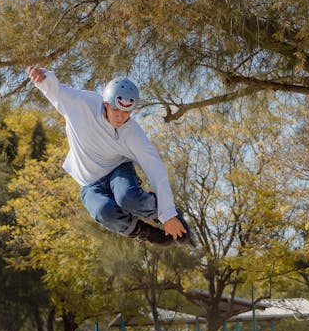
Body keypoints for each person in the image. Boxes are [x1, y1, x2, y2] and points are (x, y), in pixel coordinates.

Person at [27, 66, 193, 247]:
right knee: (103, 211)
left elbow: (155, 169)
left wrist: (168, 214)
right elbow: (57, 92)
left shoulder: (132, 133)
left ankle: (165, 215)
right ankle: (145, 232)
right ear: (106, 104)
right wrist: (44, 79)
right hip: (89, 182)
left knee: (127, 197)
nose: (120, 117)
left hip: (118, 169)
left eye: (126, 113)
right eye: (116, 110)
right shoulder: (83, 104)